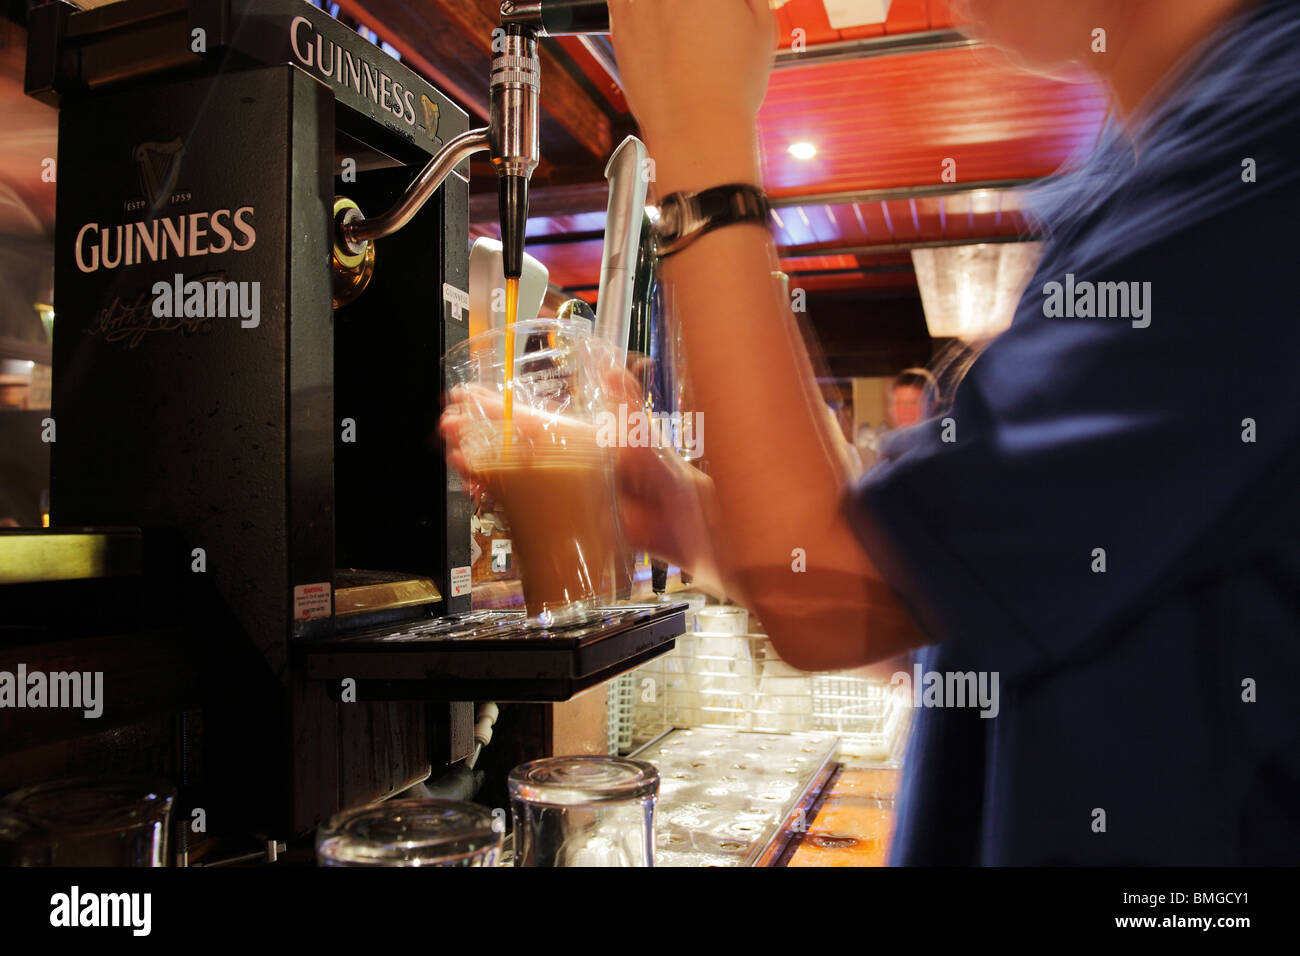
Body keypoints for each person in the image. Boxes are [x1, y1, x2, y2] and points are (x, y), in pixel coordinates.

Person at [445, 0, 1300, 864]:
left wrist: (695, 126)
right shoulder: (1156, 158)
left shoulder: (1269, 146)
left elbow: (833, 596)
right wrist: (678, 513)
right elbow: (934, 605)